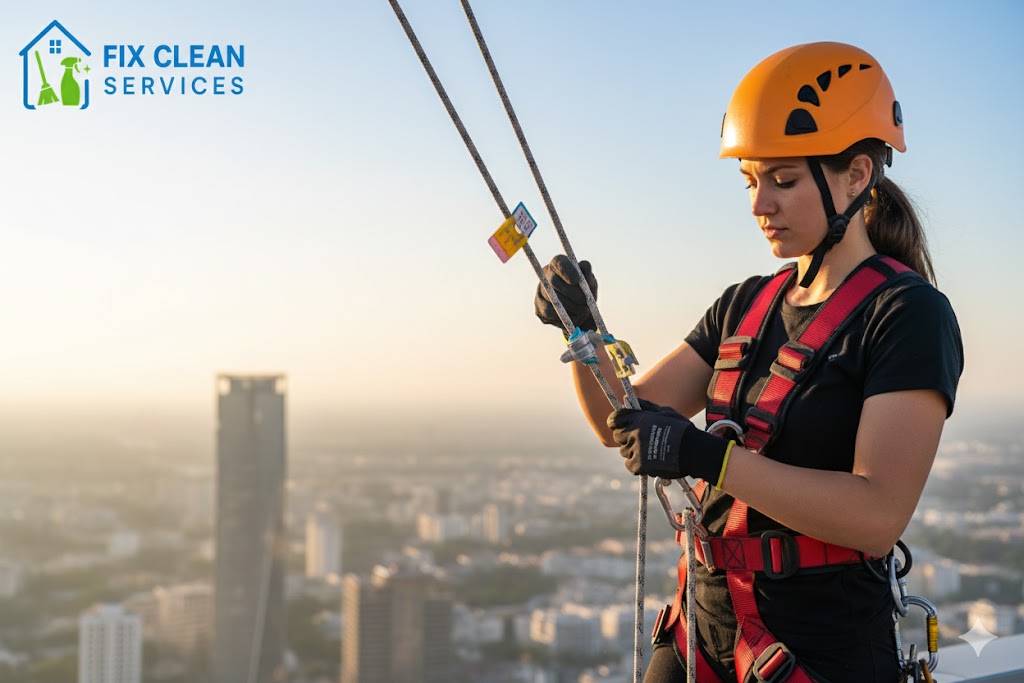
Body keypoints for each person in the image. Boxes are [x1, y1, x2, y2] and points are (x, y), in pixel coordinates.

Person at [534, 42, 963, 683]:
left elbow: (877, 518)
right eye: (752, 181)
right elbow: (620, 421)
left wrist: (712, 459)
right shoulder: (744, 306)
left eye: (783, 181)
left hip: (822, 651)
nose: (759, 204)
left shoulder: (907, 315)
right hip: (701, 632)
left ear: (857, 175)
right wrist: (581, 331)